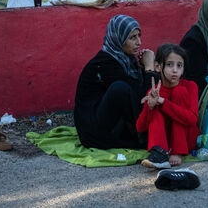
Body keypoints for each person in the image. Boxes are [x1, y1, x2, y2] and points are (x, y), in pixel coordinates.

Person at [74, 14, 158, 149]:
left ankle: (145, 134)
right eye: (132, 37)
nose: (139, 42)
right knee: (120, 89)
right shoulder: (106, 64)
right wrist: (149, 68)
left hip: (108, 122)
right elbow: (141, 96)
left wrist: (142, 69)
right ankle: (143, 138)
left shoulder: (125, 60)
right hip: (94, 133)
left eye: (139, 36)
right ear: (118, 38)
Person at [137, 43, 199, 169]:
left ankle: (178, 152)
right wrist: (150, 106)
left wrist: (163, 102)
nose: (175, 70)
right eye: (170, 65)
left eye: (179, 65)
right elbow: (140, 127)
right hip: (166, 140)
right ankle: (159, 154)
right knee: (155, 110)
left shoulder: (190, 86)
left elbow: (192, 119)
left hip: (186, 139)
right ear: (158, 67)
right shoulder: (154, 92)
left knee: (179, 92)